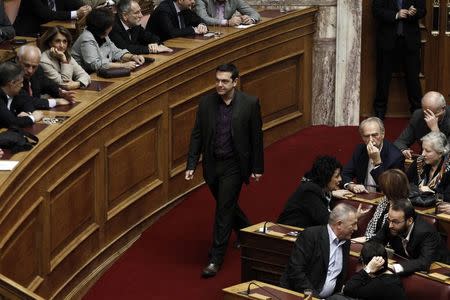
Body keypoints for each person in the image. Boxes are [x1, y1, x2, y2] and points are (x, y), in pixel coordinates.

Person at [185, 63, 263, 278]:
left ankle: (215, 258)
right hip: (212, 165)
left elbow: (256, 137)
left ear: (235, 82)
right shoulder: (206, 103)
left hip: (235, 165)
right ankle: (248, 232)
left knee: (223, 210)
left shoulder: (249, 103)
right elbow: (197, 134)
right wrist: (192, 163)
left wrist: (257, 167)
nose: (219, 84)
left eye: (224, 81)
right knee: (225, 204)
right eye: (217, 80)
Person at [280, 203, 358, 298]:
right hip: (301, 295)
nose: (356, 228)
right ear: (339, 224)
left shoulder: (346, 242)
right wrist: (315, 297)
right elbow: (296, 272)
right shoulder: (310, 236)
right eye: (353, 224)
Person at [372, 0, 426, 120]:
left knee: (413, 79)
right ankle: (379, 114)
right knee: (383, 78)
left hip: (410, 42)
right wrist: (396, 15)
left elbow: (423, 11)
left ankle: (417, 114)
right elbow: (376, 11)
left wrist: (414, 13)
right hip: (387, 41)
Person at [277, 156, 353, 228]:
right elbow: (326, 220)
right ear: (326, 177)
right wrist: (352, 217)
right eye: (336, 176)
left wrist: (332, 193)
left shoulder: (318, 189)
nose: (340, 179)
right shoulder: (309, 191)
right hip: (290, 235)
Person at [371, 198, 442, 274]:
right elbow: (375, 242)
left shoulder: (426, 232)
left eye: (395, 222)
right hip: (408, 266)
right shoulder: (391, 223)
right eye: (389, 220)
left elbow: (424, 262)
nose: (390, 225)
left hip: (437, 271)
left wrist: (394, 268)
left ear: (410, 221)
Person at [71, 7, 145, 73]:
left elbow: (114, 51)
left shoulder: (102, 34)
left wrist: (132, 57)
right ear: (101, 27)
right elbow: (95, 64)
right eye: (110, 25)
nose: (112, 27)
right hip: (86, 76)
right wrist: (123, 65)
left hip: (100, 73)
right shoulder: (86, 39)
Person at [342, 117, 404, 193]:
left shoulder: (396, 156)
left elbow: (390, 189)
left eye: (374, 135)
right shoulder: (360, 149)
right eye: (366, 136)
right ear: (362, 137)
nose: (371, 140)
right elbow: (345, 174)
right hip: (363, 196)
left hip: (384, 199)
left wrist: (377, 162)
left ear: (383, 134)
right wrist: (351, 186)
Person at [394, 91, 450, 159]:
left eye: (432, 114)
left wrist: (435, 131)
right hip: (425, 160)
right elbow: (400, 142)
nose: (428, 118)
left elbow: (446, 152)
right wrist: (403, 150)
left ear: (443, 109)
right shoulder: (418, 115)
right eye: (425, 114)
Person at [16, 45, 74, 110]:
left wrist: (61, 93)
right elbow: (24, 100)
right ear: (18, 60)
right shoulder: (11, 75)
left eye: (34, 66)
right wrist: (55, 102)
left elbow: (48, 85)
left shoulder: (38, 70)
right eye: (26, 65)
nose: (30, 70)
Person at [407, 132, 450, 208]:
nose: (423, 154)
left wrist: (432, 193)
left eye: (428, 151)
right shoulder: (419, 161)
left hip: (437, 210)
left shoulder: (448, 169)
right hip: (414, 206)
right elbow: (406, 183)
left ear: (440, 152)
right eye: (423, 149)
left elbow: (447, 197)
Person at [365, 169, 410, 239]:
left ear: (391, 189)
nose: (382, 191)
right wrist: (366, 238)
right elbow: (372, 224)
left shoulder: (405, 207)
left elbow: (392, 237)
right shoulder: (385, 200)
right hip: (372, 241)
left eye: (384, 188)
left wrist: (370, 239)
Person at [13, 0, 91, 37]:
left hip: (50, 33)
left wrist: (87, 8)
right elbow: (47, 14)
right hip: (29, 34)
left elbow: (76, 4)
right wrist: (76, 13)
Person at [0, 62, 43, 128]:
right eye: (20, 83)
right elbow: (11, 122)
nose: (22, 85)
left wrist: (28, 114)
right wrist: (32, 118)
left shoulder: (15, 93)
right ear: (12, 83)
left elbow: (27, 103)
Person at [195, 0, 260, 27]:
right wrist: (227, 22)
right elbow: (203, 18)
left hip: (226, 33)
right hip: (206, 33)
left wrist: (250, 20)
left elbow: (254, 13)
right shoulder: (202, 0)